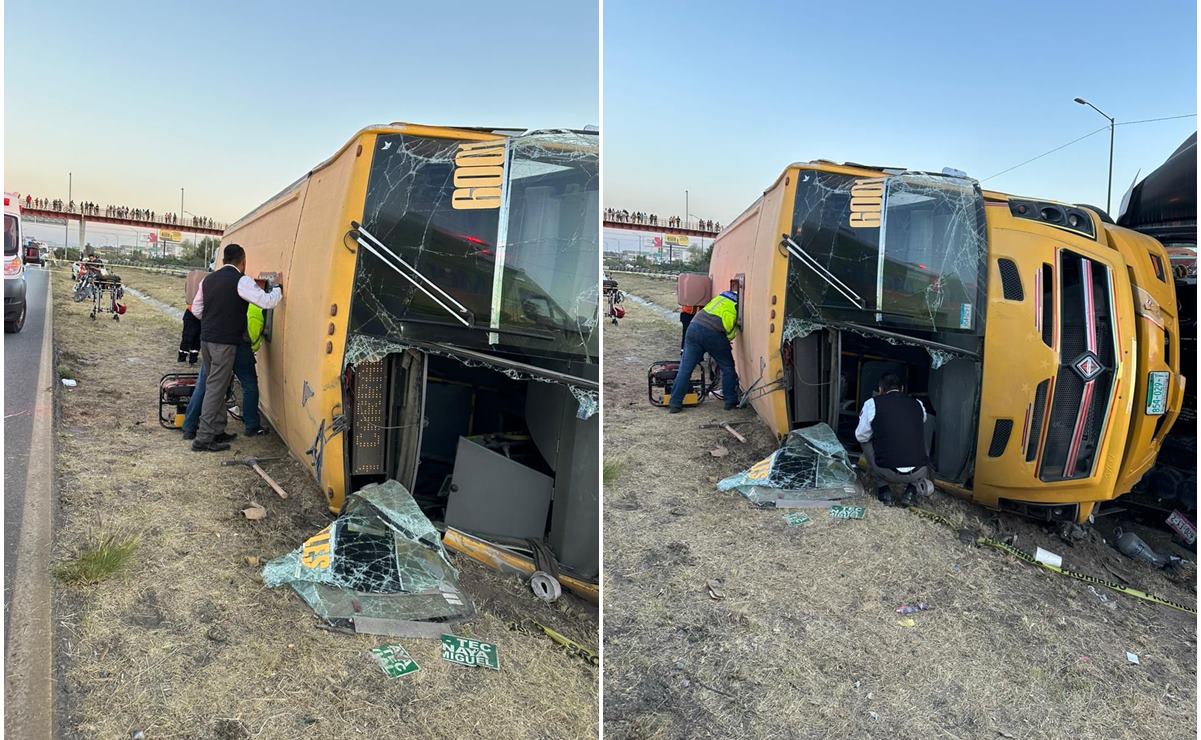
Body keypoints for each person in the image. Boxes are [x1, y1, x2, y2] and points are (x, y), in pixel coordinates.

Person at [190, 244, 281, 452]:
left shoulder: (208, 280)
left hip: (206, 341)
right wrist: (277, 289)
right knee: (215, 388)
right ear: (243, 262)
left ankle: (217, 430)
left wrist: (214, 321)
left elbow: (196, 310)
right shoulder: (241, 281)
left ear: (223, 261)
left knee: (218, 385)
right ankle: (203, 438)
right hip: (224, 344)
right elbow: (266, 302)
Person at [181, 301, 267, 440]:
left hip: (213, 343)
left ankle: (189, 426)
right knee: (249, 384)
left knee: (204, 385)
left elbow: (197, 310)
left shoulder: (212, 289)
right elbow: (253, 334)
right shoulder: (254, 305)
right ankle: (252, 425)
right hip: (238, 345)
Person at [855, 373, 930, 506]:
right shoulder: (918, 404)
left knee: (865, 440)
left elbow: (861, 436)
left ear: (880, 389)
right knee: (918, 437)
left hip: (886, 471)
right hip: (919, 471)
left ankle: (884, 490)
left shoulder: (872, 403)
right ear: (902, 388)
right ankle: (911, 491)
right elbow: (921, 421)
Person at [668, 290, 739, 413]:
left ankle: (675, 404)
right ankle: (730, 401)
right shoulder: (738, 305)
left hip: (694, 327)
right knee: (727, 368)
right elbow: (730, 334)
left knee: (685, 369)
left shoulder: (721, 297)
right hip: (714, 333)